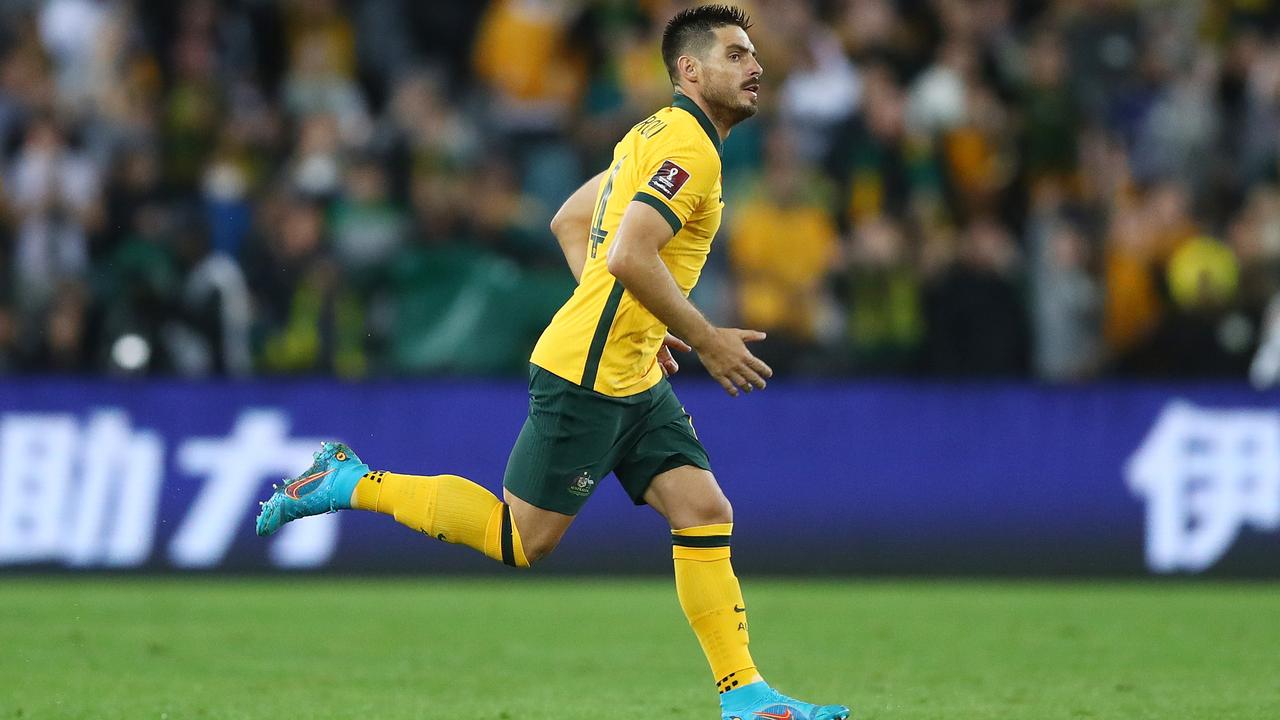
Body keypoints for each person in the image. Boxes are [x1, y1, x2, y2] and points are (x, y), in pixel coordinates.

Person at [256, 6, 850, 719]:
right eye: (735, 54)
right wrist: (704, 335)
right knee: (520, 538)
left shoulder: (652, 136)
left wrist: (635, 317)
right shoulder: (688, 151)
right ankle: (348, 480)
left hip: (629, 366)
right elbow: (629, 254)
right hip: (589, 377)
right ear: (689, 70)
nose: (755, 67)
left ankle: (745, 697)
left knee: (701, 509)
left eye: (753, 55)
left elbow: (570, 220)